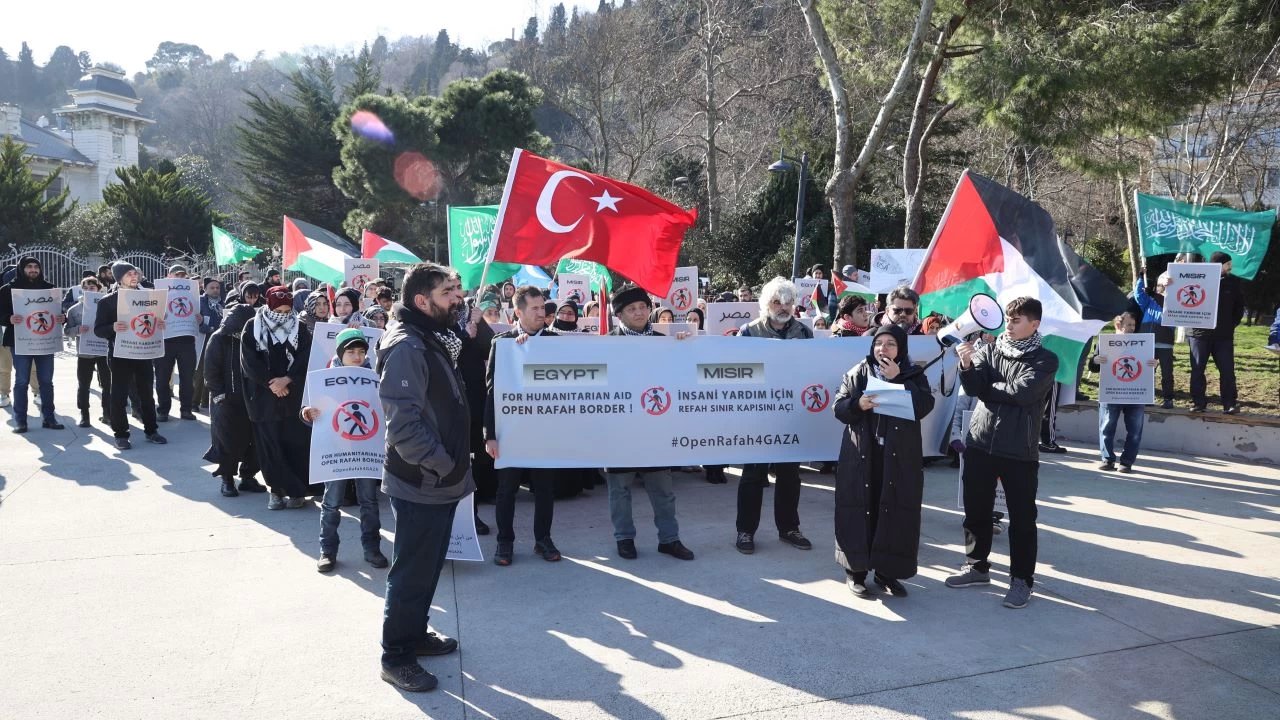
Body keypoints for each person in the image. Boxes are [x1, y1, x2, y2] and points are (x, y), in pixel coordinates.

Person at [375, 263, 472, 693]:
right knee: (412, 572)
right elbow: (404, 427)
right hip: (422, 480)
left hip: (439, 480)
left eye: (457, 289)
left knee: (428, 566)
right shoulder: (408, 347)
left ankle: (415, 634)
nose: (458, 298)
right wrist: (444, 465)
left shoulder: (431, 338)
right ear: (421, 301)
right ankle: (396, 657)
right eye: (448, 292)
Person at [946, 297, 1058, 610]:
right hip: (980, 442)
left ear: (1034, 324)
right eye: (1008, 319)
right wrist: (967, 365)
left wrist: (987, 387)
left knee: (1022, 519)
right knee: (976, 509)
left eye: (1017, 320)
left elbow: (1024, 394)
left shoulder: (1046, 359)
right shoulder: (988, 350)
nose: (1009, 324)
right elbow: (973, 386)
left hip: (1019, 451)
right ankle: (977, 566)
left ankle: (1021, 581)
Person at [833, 324, 934, 598]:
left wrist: (900, 379)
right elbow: (839, 409)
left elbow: (924, 406)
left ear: (901, 349)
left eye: (890, 344)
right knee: (859, 510)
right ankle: (855, 573)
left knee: (894, 512)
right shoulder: (857, 372)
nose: (883, 349)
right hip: (862, 456)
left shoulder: (913, 374)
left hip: (899, 459)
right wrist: (858, 405)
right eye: (879, 343)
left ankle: (887, 573)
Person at [603, 285, 695, 562]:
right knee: (619, 489)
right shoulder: (606, 344)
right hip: (620, 430)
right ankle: (624, 538)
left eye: (643, 307)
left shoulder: (663, 341)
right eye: (632, 309)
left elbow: (682, 375)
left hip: (655, 428)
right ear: (619, 315)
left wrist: (682, 348)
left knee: (663, 490)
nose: (639, 312)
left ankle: (669, 539)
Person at [484, 286, 563, 565]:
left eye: (543, 308)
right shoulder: (502, 343)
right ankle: (504, 542)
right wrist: (490, 435)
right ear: (518, 311)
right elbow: (492, 391)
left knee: (545, 489)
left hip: (545, 433)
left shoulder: (557, 342)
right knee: (507, 490)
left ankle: (543, 539)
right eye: (535, 308)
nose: (542, 313)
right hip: (511, 431)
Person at [735, 277, 814, 554]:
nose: (783, 306)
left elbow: (810, 372)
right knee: (753, 476)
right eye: (777, 301)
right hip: (757, 417)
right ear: (765, 304)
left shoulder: (804, 333)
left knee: (790, 475)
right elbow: (736, 373)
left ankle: (789, 529)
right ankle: (745, 532)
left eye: (788, 301)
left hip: (791, 416)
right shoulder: (748, 331)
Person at [301, 328, 387, 573]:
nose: (357, 357)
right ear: (341, 353)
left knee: (369, 501)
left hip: (366, 450)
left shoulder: (374, 376)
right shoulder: (323, 378)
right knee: (331, 502)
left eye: (361, 351)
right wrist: (307, 413)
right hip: (335, 451)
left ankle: (372, 548)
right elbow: (307, 409)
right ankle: (327, 550)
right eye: (351, 352)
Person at [241, 285, 315, 509]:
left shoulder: (299, 328)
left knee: (294, 444)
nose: (282, 315)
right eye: (278, 311)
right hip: (263, 398)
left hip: (292, 396)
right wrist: (271, 383)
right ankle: (275, 491)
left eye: (286, 311)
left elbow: (305, 357)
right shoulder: (253, 326)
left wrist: (288, 379)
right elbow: (249, 362)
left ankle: (296, 491)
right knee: (270, 446)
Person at [94, 262, 167, 450]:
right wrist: (112, 327)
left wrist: (159, 325)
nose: (134, 277)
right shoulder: (108, 301)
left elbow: (154, 320)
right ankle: (121, 434)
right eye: (128, 274)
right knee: (118, 395)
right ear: (119, 279)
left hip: (143, 353)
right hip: (120, 355)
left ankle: (151, 430)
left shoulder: (149, 298)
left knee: (146, 394)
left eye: (135, 273)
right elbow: (98, 330)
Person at [204, 282, 266, 497]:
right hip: (227, 400)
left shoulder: (256, 340)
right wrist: (220, 396)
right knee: (227, 441)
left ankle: (248, 477)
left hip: (252, 399)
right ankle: (227, 479)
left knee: (255, 441)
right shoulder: (219, 340)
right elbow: (210, 372)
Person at [0, 256, 65, 432]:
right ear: (22, 268)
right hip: (20, 342)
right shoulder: (8, 290)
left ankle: (49, 418)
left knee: (46, 381)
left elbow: (60, 311)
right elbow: (1, 314)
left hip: (45, 342)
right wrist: (9, 318)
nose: (33, 269)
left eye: (36, 266)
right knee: (21, 381)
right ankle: (20, 420)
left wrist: (62, 317)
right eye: (29, 266)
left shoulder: (49, 288)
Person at [1094, 310, 1157, 473]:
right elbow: (1093, 367)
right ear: (1118, 324)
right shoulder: (1105, 342)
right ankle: (1107, 460)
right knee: (1107, 428)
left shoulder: (1143, 343)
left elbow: (1149, 369)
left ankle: (1127, 462)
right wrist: (1096, 360)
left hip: (1135, 394)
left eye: (1134, 325)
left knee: (1135, 431)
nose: (1132, 328)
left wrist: (1153, 365)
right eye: (1128, 325)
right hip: (1111, 392)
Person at [1189, 252, 1246, 414]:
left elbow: (1239, 308)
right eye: (1228, 264)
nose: (1230, 267)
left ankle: (1229, 403)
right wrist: (1168, 282)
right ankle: (1198, 402)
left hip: (1223, 337)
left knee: (1227, 370)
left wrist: (1229, 325)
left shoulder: (1233, 282)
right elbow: (1180, 292)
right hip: (1198, 334)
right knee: (1197, 369)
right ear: (1219, 265)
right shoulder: (1197, 277)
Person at [63, 276, 112, 428]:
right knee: (84, 384)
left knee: (107, 384)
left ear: (98, 289)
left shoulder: (108, 306)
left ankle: (107, 414)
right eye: (85, 288)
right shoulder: (74, 310)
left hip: (103, 351)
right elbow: (67, 331)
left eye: (92, 288)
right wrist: (77, 330)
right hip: (84, 352)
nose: (89, 291)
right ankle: (84, 415)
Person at [153, 265, 198, 423]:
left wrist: (199, 319)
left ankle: (186, 409)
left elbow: (197, 313)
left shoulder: (193, 292)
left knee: (187, 378)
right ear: (169, 275)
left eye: (183, 275)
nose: (180, 277)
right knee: (162, 377)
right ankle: (163, 410)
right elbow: (151, 313)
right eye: (176, 274)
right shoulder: (158, 291)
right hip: (166, 340)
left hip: (186, 340)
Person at [1130, 270, 1175, 408]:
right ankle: (1147, 397)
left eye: (1167, 285)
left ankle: (1168, 399)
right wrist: (1140, 278)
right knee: (1148, 372)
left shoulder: (1173, 302)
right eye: (1162, 285)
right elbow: (1138, 294)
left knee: (1167, 373)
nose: (1164, 287)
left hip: (1166, 343)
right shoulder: (1150, 300)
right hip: (1148, 343)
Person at [193, 277, 224, 411]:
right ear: (205, 289)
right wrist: (210, 328)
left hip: (219, 341)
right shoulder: (199, 302)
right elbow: (198, 323)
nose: (215, 290)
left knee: (213, 371)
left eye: (217, 287)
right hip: (203, 341)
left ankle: (205, 401)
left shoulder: (223, 303)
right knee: (200, 372)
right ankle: (194, 403)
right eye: (212, 287)